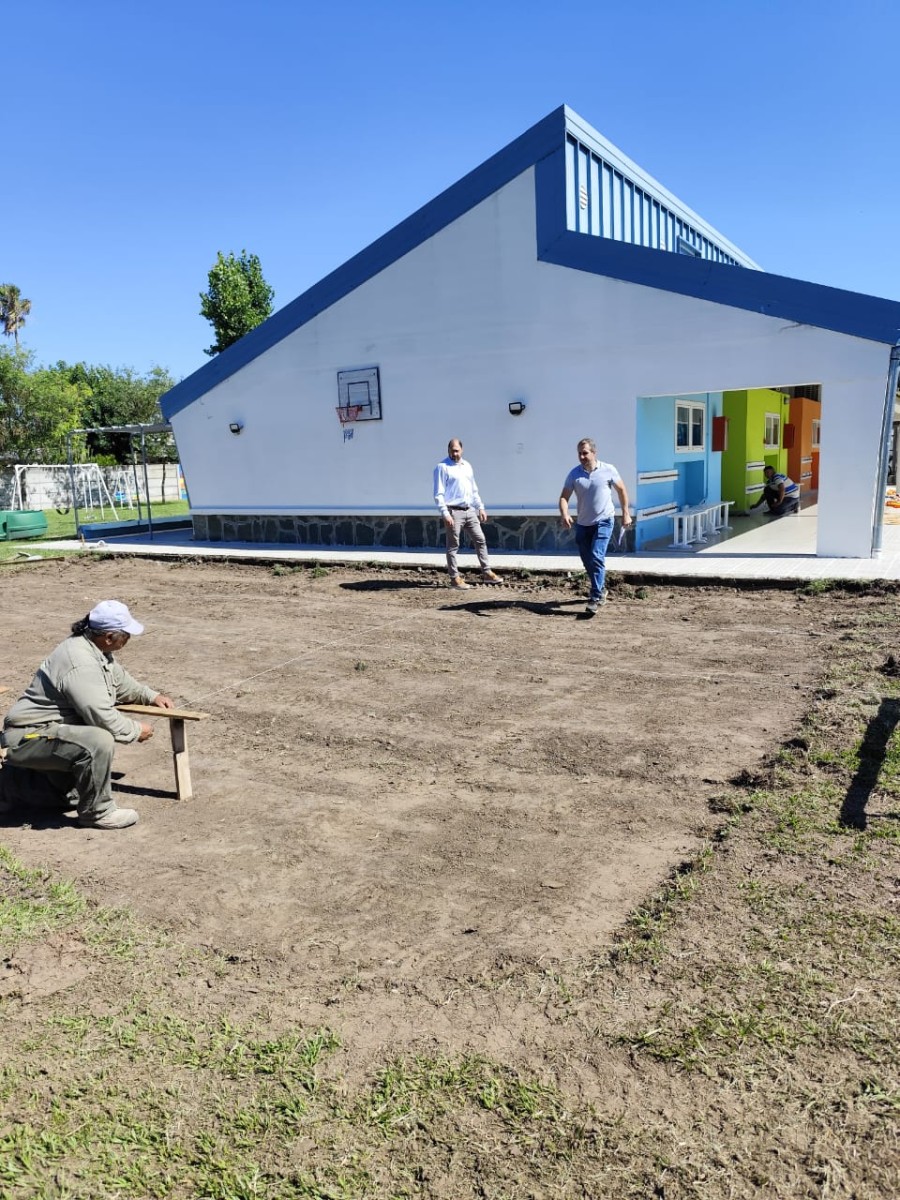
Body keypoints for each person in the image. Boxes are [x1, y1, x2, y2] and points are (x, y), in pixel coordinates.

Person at [1, 600, 174, 829]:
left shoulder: (93, 649)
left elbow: (120, 681)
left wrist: (150, 695)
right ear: (109, 637)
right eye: (126, 635)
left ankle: (13, 789)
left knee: (66, 797)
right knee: (98, 740)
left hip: (48, 732)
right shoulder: (80, 661)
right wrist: (135, 730)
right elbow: (100, 715)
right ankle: (98, 812)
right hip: (29, 736)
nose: (128, 640)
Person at [559, 438, 632, 617]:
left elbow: (621, 490)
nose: (582, 456)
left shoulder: (608, 469)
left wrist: (626, 513)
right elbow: (564, 497)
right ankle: (601, 588)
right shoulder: (574, 474)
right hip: (583, 524)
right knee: (587, 560)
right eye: (580, 453)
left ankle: (595, 597)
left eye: (585, 453)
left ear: (594, 452)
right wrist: (565, 514)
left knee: (596, 555)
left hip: (604, 520)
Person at [434, 438, 501, 589]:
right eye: (452, 451)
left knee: (480, 540)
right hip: (453, 511)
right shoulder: (442, 467)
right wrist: (445, 513)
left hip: (469, 510)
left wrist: (480, 507)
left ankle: (487, 572)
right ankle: (454, 578)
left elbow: (473, 490)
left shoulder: (467, 466)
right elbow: (438, 493)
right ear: (448, 451)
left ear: (462, 450)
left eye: (457, 450)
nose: (454, 453)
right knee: (453, 545)